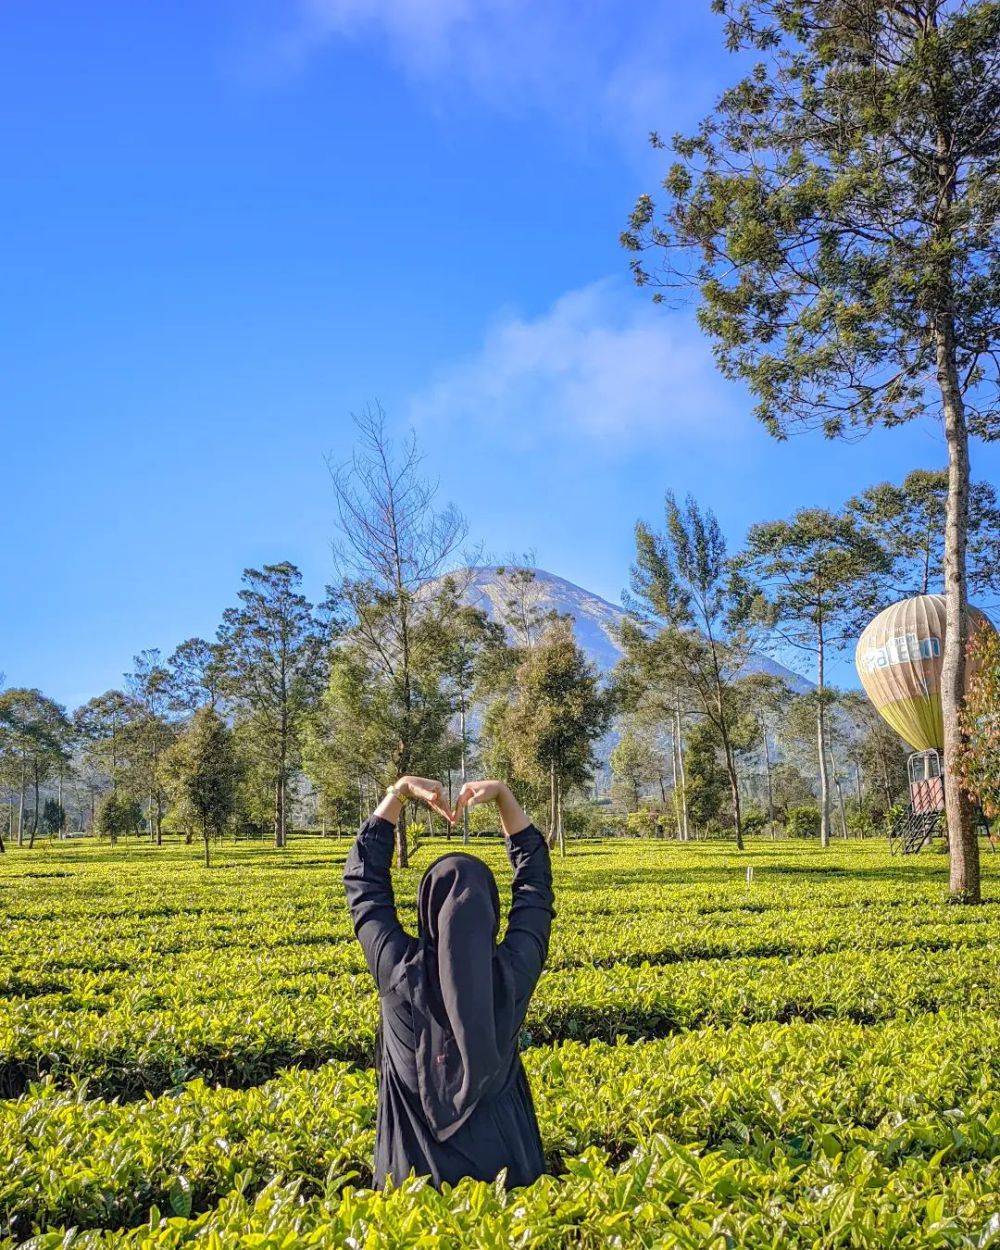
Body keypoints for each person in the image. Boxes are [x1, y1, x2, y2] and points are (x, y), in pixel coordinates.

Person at [343, 775, 554, 1190]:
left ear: (426, 910)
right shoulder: (513, 974)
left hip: (411, 1186)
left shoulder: (398, 972)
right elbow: (535, 889)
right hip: (510, 1180)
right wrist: (505, 799)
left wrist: (398, 793)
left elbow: (364, 884)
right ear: (491, 913)